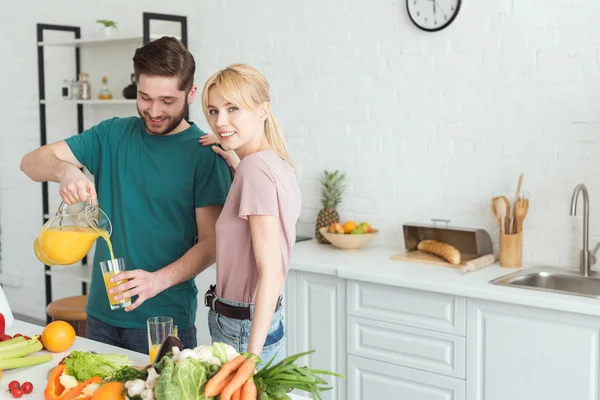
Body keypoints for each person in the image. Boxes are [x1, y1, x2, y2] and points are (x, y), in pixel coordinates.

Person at [20, 37, 232, 353]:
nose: (155, 110)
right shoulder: (111, 134)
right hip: (101, 317)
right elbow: (31, 163)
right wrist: (65, 171)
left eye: (167, 100)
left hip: (164, 323)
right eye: (145, 97)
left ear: (190, 94)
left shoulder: (203, 153)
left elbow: (211, 244)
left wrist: (155, 281)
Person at [199, 63, 302, 371]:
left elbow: (271, 271)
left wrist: (251, 358)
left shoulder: (254, 170)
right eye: (213, 111)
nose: (220, 121)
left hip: (243, 329)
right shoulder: (276, 163)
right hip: (260, 319)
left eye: (233, 108)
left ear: (262, 111)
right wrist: (235, 160)